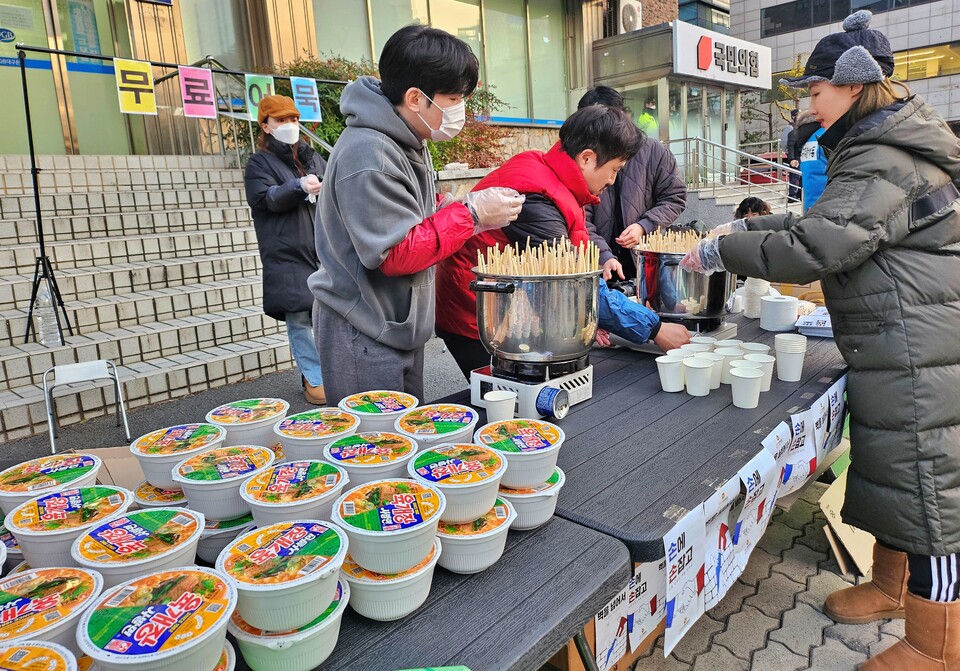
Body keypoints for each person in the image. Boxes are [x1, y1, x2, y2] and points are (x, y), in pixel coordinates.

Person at [681, 11, 960, 669]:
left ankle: (937, 645)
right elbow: (825, 222)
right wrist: (747, 227)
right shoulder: (877, 144)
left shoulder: (881, 153)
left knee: (928, 486)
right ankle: (892, 590)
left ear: (854, 84)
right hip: (898, 334)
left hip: (917, 341)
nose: (810, 102)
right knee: (898, 473)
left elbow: (816, 247)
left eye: (815, 89)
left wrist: (722, 251)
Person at [308, 25, 524, 402]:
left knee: (407, 429)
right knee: (376, 436)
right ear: (414, 98)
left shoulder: (407, 138)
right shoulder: (369, 153)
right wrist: (472, 214)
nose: (459, 109)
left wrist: (451, 208)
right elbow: (394, 253)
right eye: (453, 98)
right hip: (363, 326)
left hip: (395, 322)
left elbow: (411, 213)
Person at [435, 105, 692, 378]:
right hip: (480, 317)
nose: (612, 180)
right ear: (587, 158)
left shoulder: (552, 176)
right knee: (508, 397)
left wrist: (592, 316)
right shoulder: (536, 197)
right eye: (614, 169)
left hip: (506, 312)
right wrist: (655, 328)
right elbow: (573, 288)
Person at [244, 95, 327, 405]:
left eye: (293, 119)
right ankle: (314, 379)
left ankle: (328, 373)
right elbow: (266, 198)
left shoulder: (311, 157)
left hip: (320, 251)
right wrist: (299, 187)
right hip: (286, 253)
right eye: (280, 120)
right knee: (301, 320)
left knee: (325, 318)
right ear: (266, 126)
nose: (289, 125)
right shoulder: (259, 163)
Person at [580, 87, 687, 281]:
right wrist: (603, 254)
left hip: (646, 256)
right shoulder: (585, 157)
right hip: (599, 262)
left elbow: (675, 197)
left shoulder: (655, 152)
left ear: (621, 116)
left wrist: (644, 226)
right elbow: (580, 217)